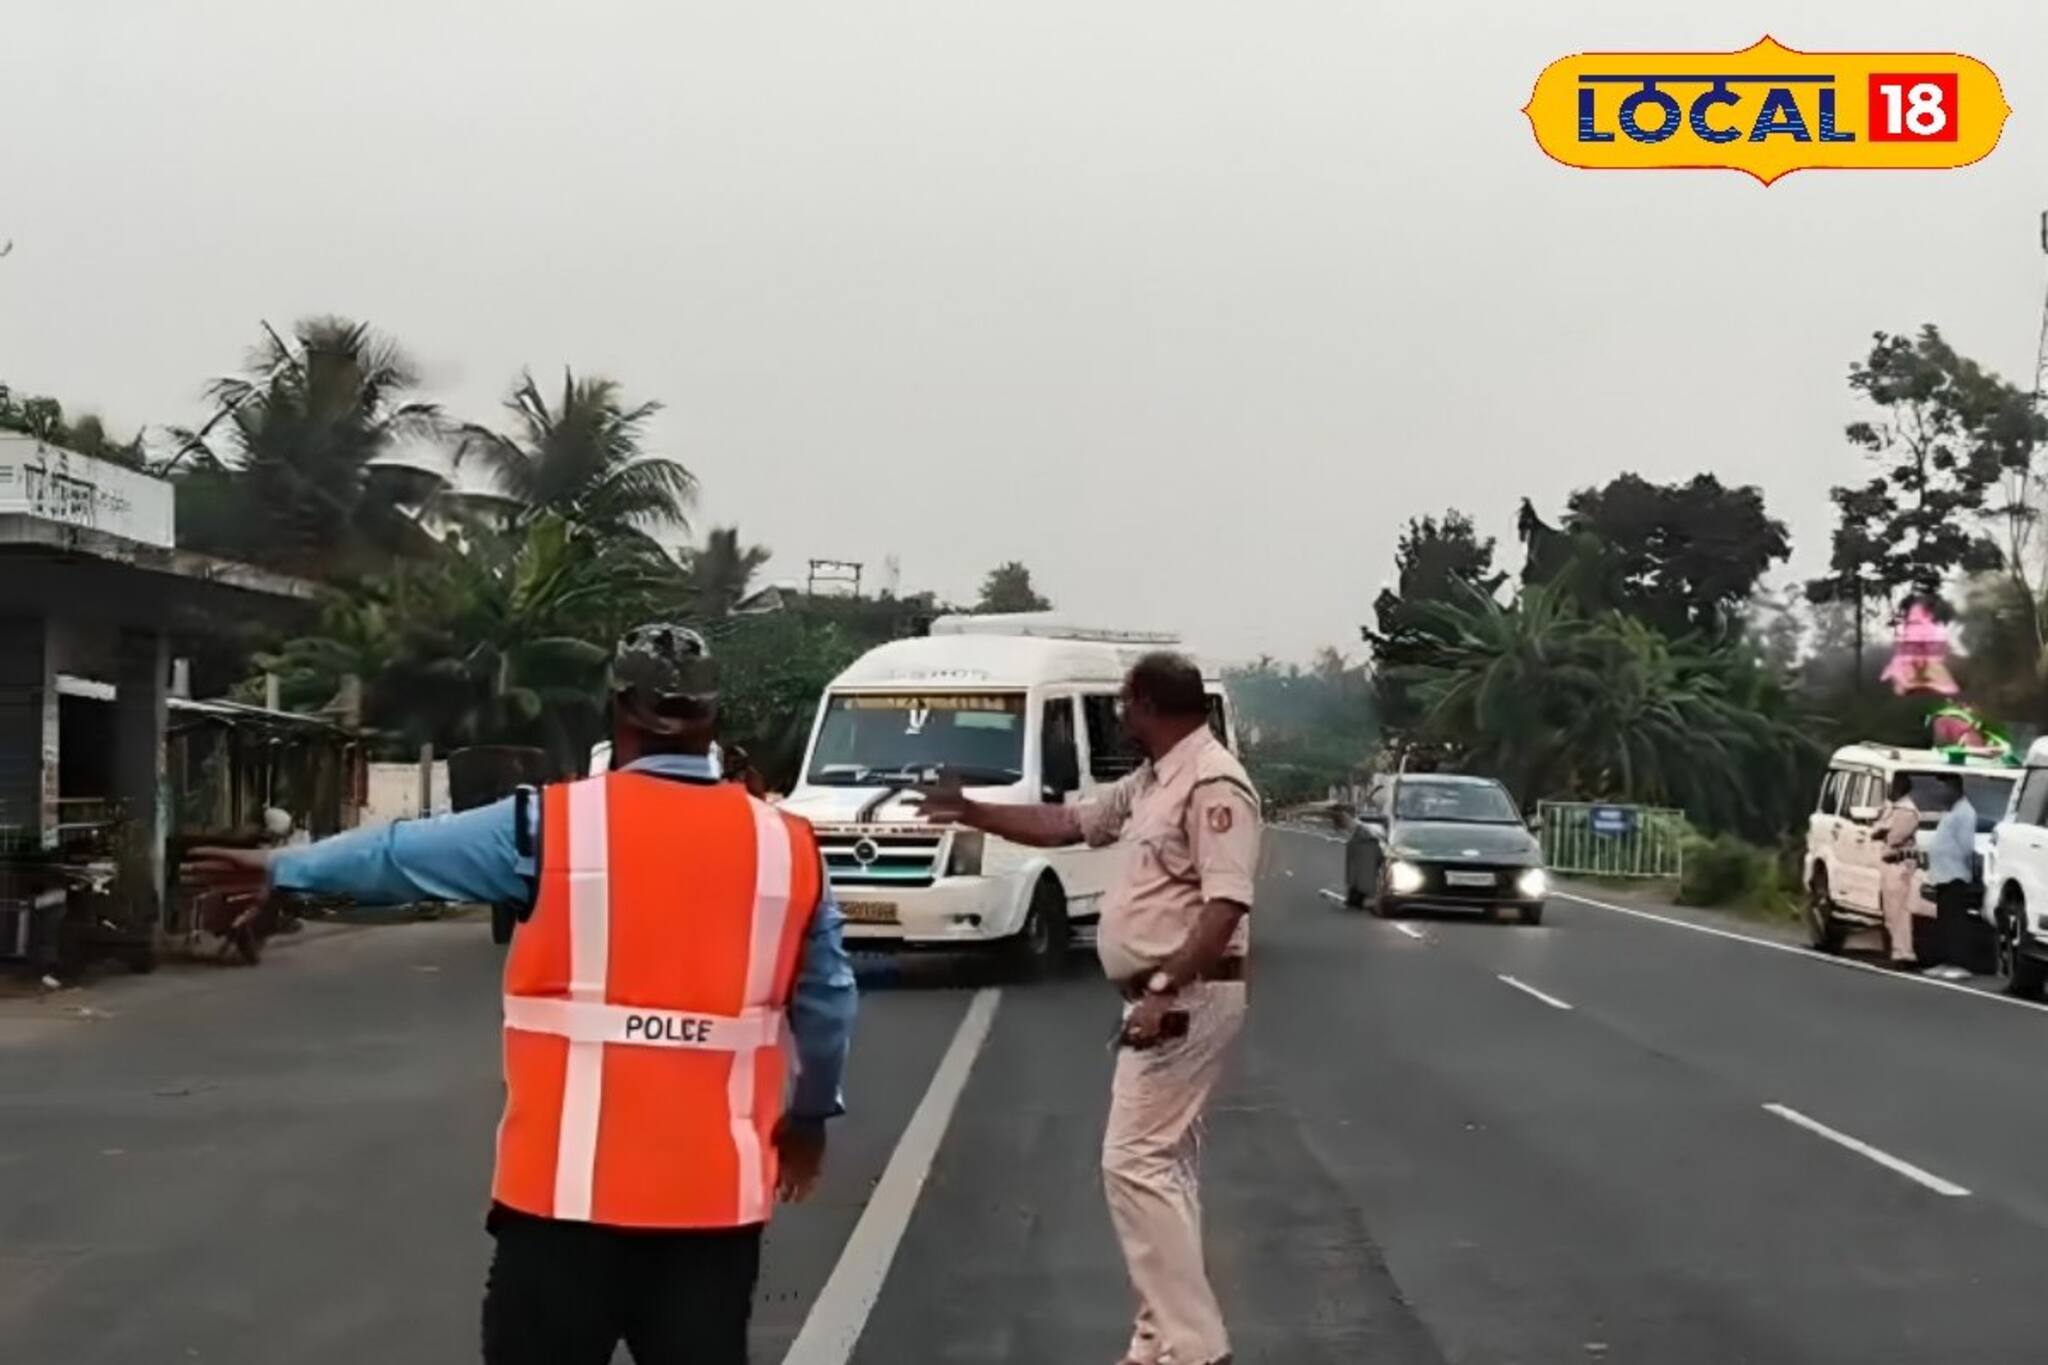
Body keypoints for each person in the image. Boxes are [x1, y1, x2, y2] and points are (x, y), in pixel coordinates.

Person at [183, 623, 857, 1365]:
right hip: (711, 1213)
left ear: (618, 711)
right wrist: (809, 1119)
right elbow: (826, 1007)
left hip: (559, 1209)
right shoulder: (787, 847)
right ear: (713, 718)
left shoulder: (552, 825)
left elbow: (402, 854)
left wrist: (285, 868)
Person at [917, 651, 1257, 1365]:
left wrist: (1164, 989)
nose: (1121, 718)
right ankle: (1159, 1339)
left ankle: (1196, 1347)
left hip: (1188, 994)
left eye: (1126, 705)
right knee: (1163, 1169)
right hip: (1165, 991)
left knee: (1132, 1162)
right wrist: (975, 811)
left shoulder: (1215, 781)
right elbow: (1069, 823)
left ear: (1149, 704)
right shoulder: (1154, 781)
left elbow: (1225, 903)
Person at [1926, 773, 1980, 977]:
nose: (1941, 793)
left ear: (1955, 788)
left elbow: (1967, 847)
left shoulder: (1965, 812)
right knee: (1944, 923)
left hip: (1955, 875)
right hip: (1943, 875)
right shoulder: (1951, 811)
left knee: (1956, 923)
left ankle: (1959, 963)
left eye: (1944, 788)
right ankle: (1944, 961)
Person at [1873, 773, 1921, 970]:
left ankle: (1904, 953)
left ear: (1902, 788)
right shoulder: (1892, 808)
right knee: (1891, 912)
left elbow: (1894, 837)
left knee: (1900, 912)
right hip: (1889, 863)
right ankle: (1898, 950)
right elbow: (1875, 829)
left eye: (1895, 786)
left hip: (1898, 864)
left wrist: (1883, 831)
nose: (1891, 790)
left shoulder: (1906, 811)